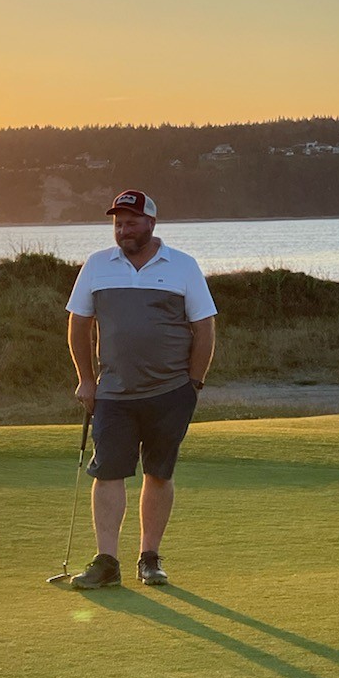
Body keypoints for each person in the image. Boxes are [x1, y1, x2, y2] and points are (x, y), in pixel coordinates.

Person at [65, 190, 217, 588]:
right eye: (118, 223)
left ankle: (149, 558)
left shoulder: (182, 266)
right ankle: (106, 562)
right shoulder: (98, 266)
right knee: (109, 472)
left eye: (131, 222)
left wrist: (194, 383)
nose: (123, 229)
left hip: (169, 392)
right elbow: (78, 324)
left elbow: (204, 328)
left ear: (151, 224)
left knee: (159, 473)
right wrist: (85, 378)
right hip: (113, 393)